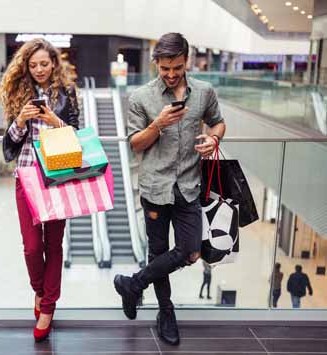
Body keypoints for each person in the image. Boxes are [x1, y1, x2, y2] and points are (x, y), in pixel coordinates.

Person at [113, 32, 226, 346]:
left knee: (190, 251)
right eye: (165, 68)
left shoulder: (204, 93)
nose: (172, 74)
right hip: (154, 186)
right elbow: (136, 145)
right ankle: (166, 312)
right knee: (158, 251)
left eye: (177, 67)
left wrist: (214, 138)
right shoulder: (141, 98)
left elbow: (218, 122)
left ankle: (132, 285)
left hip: (189, 186)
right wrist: (157, 124)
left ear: (186, 60)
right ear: (156, 64)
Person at [0, 38, 79, 342]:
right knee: (32, 246)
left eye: (44, 64)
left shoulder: (67, 92)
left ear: (54, 63)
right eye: (33, 65)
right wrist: (20, 119)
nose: (39, 70)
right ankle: (39, 290)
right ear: (26, 67)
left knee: (54, 244)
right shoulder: (18, 92)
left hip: (57, 176)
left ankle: (48, 306)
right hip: (27, 174)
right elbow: (9, 143)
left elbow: (76, 132)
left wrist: (53, 119)